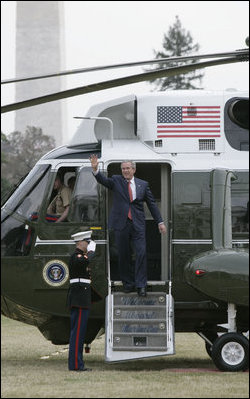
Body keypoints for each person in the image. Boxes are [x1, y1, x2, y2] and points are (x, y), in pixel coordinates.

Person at [90, 154, 166, 297]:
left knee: (141, 253)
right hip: (121, 224)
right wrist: (95, 170)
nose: (125, 171)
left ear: (134, 170)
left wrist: (160, 222)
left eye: (128, 168)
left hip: (138, 224)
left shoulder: (143, 184)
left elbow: (152, 205)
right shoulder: (116, 180)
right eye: (123, 168)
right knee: (123, 255)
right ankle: (128, 284)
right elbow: (103, 180)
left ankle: (141, 285)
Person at [67, 230, 96, 372]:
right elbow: (82, 261)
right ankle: (76, 365)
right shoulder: (76, 257)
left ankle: (77, 363)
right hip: (79, 299)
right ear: (79, 242)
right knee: (77, 333)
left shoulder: (81, 256)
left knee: (79, 333)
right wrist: (90, 253)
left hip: (81, 299)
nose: (89, 244)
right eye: (87, 242)